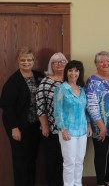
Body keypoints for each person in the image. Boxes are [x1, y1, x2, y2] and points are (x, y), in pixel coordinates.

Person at [1, 46, 44, 186]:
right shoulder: (13, 81)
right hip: (19, 126)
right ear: (18, 61)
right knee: (21, 160)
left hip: (36, 125)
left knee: (32, 158)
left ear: (34, 61)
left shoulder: (39, 76)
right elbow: (7, 107)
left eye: (29, 59)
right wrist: (14, 127)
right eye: (23, 60)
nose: (26, 62)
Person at [85, 51, 109, 186]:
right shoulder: (92, 81)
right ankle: (100, 182)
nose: (105, 63)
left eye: (108, 61)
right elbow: (91, 105)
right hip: (99, 125)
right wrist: (102, 127)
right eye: (101, 61)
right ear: (96, 64)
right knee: (101, 154)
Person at [53, 60, 92, 186]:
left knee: (79, 161)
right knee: (69, 162)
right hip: (68, 131)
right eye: (70, 70)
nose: (73, 73)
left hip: (82, 131)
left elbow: (84, 110)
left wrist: (89, 124)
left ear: (79, 73)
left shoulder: (82, 89)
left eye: (76, 70)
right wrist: (63, 129)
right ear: (66, 72)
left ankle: (77, 184)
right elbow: (57, 112)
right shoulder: (61, 89)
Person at [36, 52, 68, 186]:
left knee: (66, 160)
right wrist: (44, 125)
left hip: (70, 128)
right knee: (53, 160)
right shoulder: (46, 81)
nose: (60, 64)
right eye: (56, 62)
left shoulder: (71, 79)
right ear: (51, 65)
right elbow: (40, 104)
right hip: (52, 128)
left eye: (62, 61)